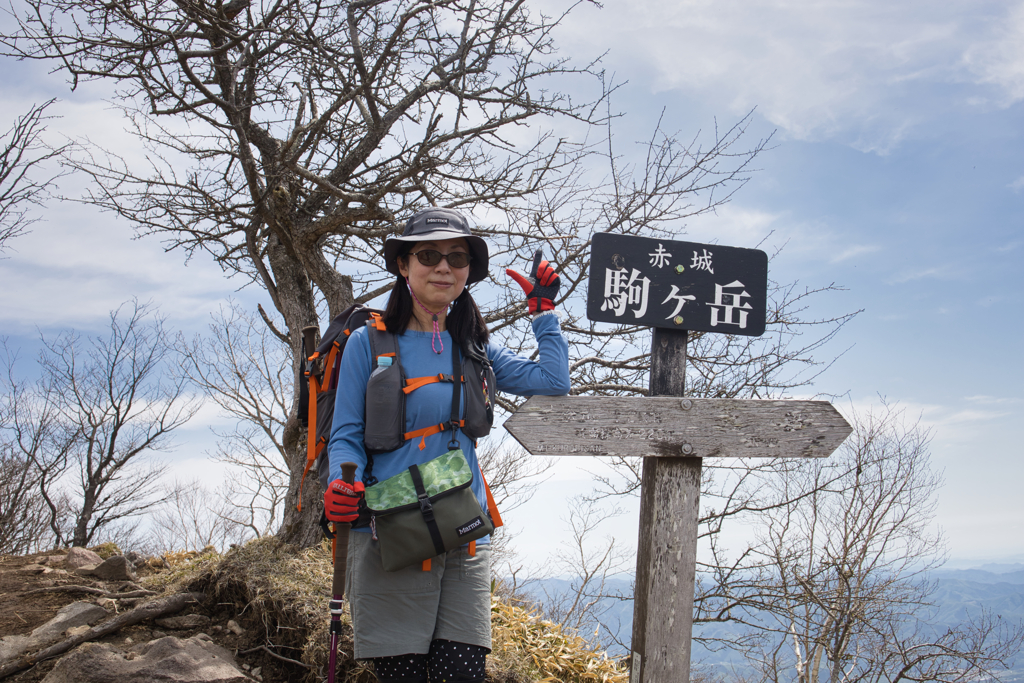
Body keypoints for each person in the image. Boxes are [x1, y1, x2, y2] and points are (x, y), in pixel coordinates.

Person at [323, 207, 570, 683]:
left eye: (456, 257)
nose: (443, 266)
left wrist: (543, 314)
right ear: (404, 265)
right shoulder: (367, 343)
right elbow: (347, 435)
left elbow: (553, 381)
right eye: (429, 255)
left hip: (463, 536)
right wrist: (340, 482)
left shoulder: (474, 346)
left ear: (467, 273)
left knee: (463, 673)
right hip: (389, 532)